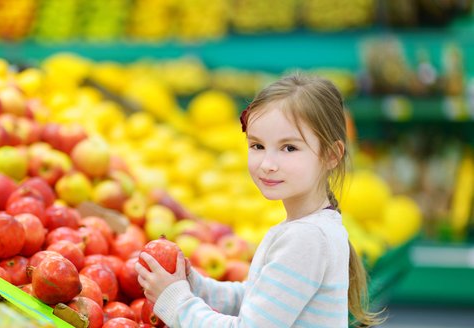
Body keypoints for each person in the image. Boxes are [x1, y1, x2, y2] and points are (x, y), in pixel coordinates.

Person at [135, 72, 384, 327]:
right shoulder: (311, 228)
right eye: (257, 146)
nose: (267, 164)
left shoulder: (305, 239)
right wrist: (195, 286)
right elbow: (258, 297)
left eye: (289, 148)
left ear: (331, 155)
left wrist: (176, 301)